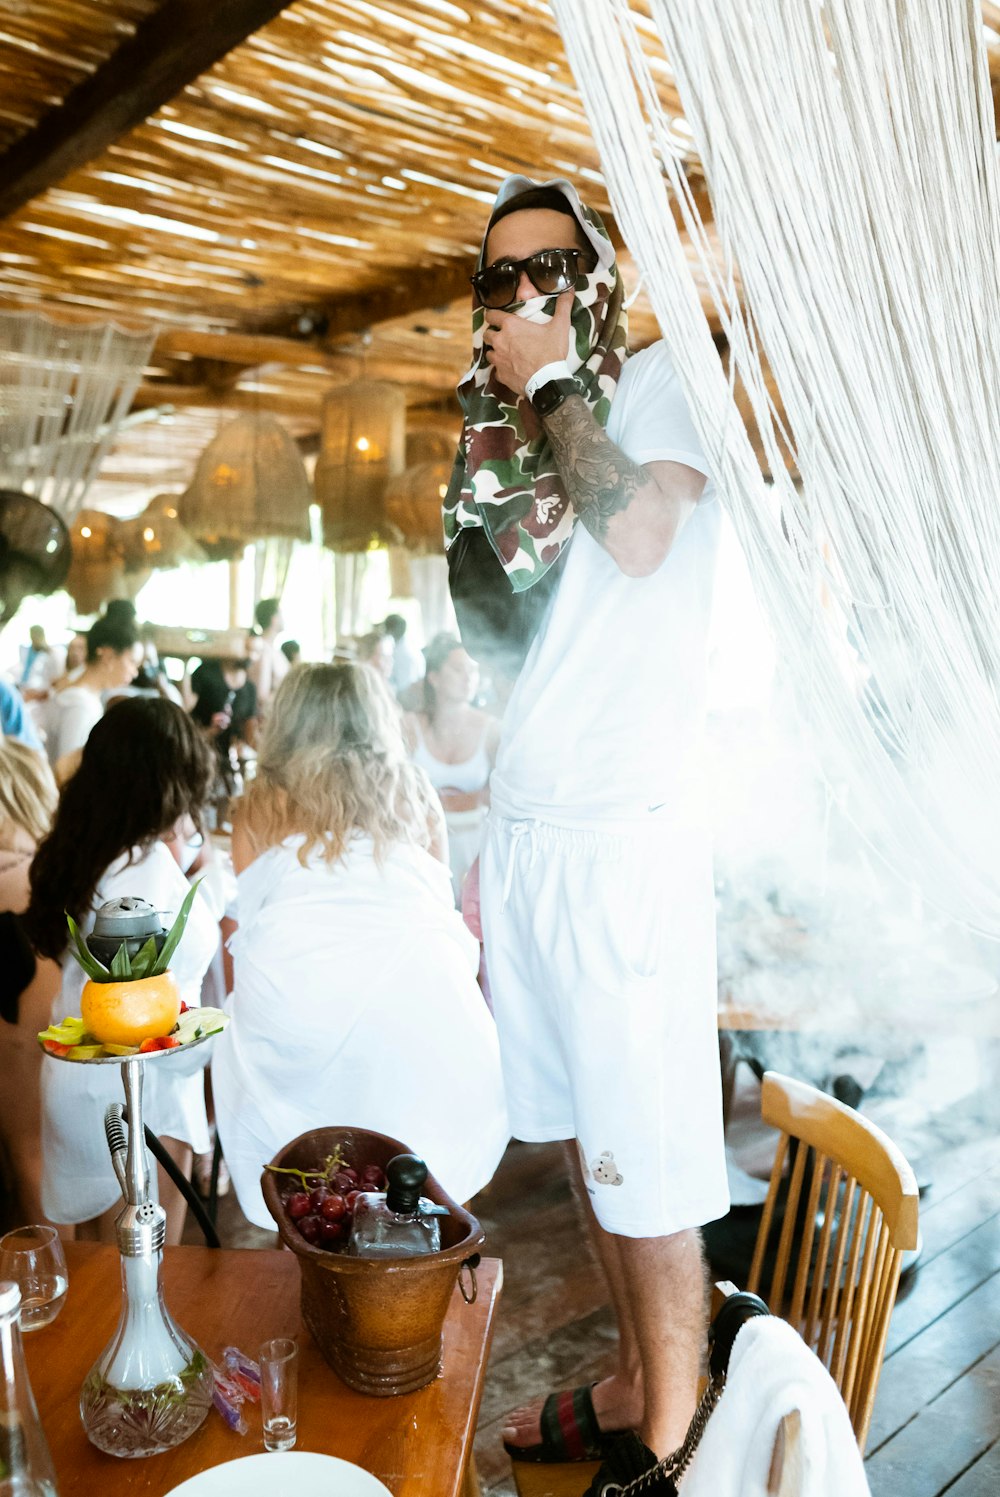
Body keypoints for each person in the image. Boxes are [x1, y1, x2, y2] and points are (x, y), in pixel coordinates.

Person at [444, 176, 729, 1494]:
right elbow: (508, 654)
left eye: (549, 265)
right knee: (583, 1144)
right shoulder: (495, 443)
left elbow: (647, 534)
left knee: (646, 1156)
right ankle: (627, 1372)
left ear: (598, 277)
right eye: (498, 279)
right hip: (532, 838)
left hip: (625, 842)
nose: (523, 294)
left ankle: (668, 1441)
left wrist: (556, 380)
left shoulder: (659, 385)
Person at [211, 662, 509, 1230]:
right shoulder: (413, 788)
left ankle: (309, 1259)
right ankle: (420, 1267)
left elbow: (254, 922)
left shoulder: (259, 801)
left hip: (296, 1002)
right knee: (423, 1131)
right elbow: (435, 897)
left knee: (302, 1174)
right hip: (420, 1001)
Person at [23, 698, 220, 1244]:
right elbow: (143, 1014)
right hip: (136, 1098)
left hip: (79, 1088)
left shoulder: (96, 854)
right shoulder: (148, 875)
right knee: (151, 1279)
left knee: (100, 1285)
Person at [0, 741, 60, 1225]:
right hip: (32, 953)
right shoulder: (48, 865)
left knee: (23, 1154)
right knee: (33, 1150)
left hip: (17, 950)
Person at [403, 633, 499, 901]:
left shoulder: (491, 730)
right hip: (421, 843)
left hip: (476, 848)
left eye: (473, 670)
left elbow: (502, 793)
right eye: (458, 669)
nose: (468, 677)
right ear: (433, 678)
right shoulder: (408, 726)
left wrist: (476, 798)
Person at [43, 615, 141, 764]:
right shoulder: (80, 705)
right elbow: (66, 769)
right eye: (132, 661)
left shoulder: (82, 695)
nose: (135, 672)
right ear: (108, 656)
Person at [247, 598, 287, 714]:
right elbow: (261, 695)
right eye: (281, 614)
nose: (284, 618)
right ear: (273, 618)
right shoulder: (263, 650)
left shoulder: (274, 650)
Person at [383, 613, 424, 696]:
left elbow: (402, 687)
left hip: (406, 698)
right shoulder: (409, 645)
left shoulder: (402, 654)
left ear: (390, 630)